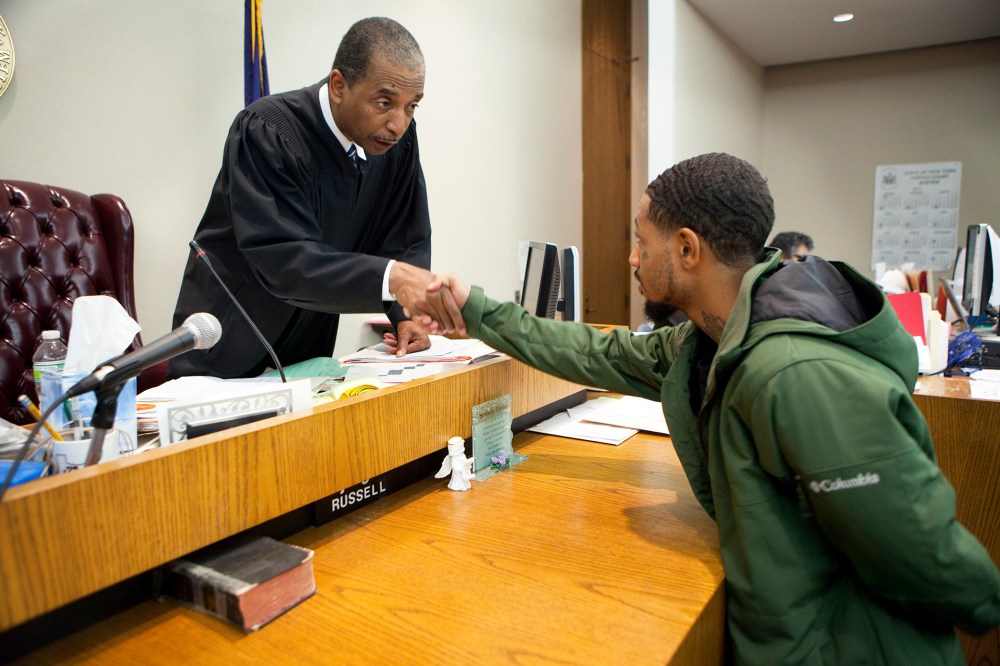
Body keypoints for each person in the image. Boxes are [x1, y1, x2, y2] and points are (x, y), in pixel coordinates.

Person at [403, 153, 1000, 664]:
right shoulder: (706, 341)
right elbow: (596, 350)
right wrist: (475, 308)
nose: (633, 259)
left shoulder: (797, 375)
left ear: (686, 248)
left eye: (641, 241)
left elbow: (926, 555)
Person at [169, 17, 461, 379]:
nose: (398, 124)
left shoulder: (394, 142)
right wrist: (396, 281)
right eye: (384, 102)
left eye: (412, 105)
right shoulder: (267, 131)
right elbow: (286, 258)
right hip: (229, 342)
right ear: (339, 85)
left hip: (308, 351)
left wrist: (406, 313)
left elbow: (403, 234)